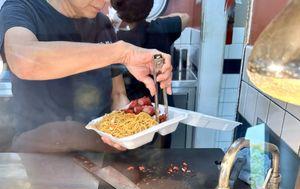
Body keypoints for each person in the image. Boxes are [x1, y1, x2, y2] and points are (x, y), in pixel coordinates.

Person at [0, 0, 172, 152]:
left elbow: (118, 95)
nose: (104, 2)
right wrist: (122, 52)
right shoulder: (22, 8)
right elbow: (25, 60)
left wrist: (127, 131)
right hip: (41, 153)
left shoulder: (101, 23)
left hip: (100, 152)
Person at [110, 0, 190, 100]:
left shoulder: (115, 40)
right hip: (161, 102)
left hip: (132, 106)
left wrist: (116, 18)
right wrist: (158, 20)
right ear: (150, 7)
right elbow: (185, 17)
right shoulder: (162, 27)